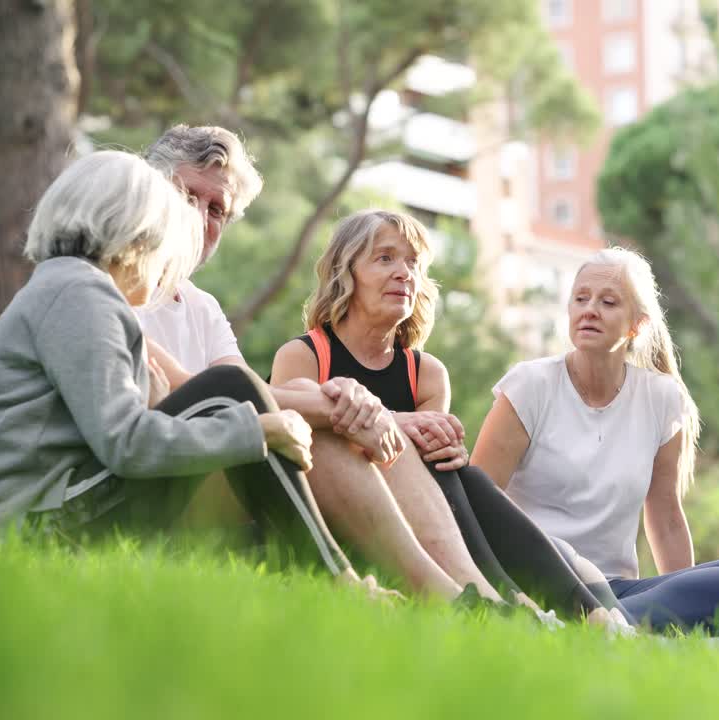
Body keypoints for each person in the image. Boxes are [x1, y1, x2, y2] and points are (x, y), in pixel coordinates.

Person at [138, 125, 559, 616]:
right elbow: (214, 393)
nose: (200, 219)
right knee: (340, 421)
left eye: (217, 210)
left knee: (369, 433)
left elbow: (249, 394)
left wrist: (360, 414)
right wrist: (343, 406)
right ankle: (450, 598)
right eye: (189, 197)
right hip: (156, 488)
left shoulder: (202, 307)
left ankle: (480, 601)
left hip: (220, 474)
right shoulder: (113, 289)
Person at [0, 151, 372, 592]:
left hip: (32, 506)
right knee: (228, 390)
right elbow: (127, 444)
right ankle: (339, 578)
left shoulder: (65, 286)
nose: (169, 270)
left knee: (228, 397)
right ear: (136, 239)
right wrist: (258, 431)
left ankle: (318, 571)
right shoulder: (82, 295)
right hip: (27, 522)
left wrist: (155, 397)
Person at [270, 209, 633, 629]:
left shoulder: (426, 373)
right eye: (385, 258)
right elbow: (292, 451)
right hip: (343, 523)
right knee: (456, 471)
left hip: (422, 526)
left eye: (413, 263)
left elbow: (426, 480)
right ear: (345, 272)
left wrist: (441, 445)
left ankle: (580, 616)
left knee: (457, 471)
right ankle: (524, 607)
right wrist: (397, 423)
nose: (404, 273)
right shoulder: (305, 355)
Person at [471, 247, 719, 635]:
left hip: (615, 589)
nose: (590, 310)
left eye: (608, 302)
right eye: (580, 299)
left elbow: (666, 517)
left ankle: (604, 629)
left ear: (636, 325)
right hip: (538, 580)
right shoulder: (529, 386)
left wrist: (682, 597)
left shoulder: (662, 398)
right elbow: (475, 503)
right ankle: (617, 630)